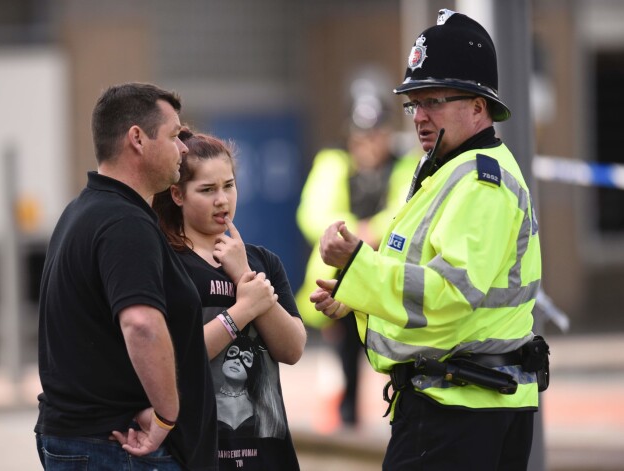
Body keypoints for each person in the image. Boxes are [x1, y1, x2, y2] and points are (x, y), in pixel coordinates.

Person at [310, 9, 548, 471]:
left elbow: (451, 292)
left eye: (433, 101)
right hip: (461, 402)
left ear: (478, 106)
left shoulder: (480, 182)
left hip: (458, 410)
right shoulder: (451, 170)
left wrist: (358, 263)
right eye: (413, 103)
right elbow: (422, 278)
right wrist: (357, 297)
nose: (419, 117)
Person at [34, 83, 217, 470]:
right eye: (174, 135)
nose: (184, 147)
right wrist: (167, 417)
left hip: (90, 441)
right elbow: (141, 324)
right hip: (118, 447)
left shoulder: (83, 210)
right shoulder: (124, 222)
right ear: (137, 138)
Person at [152, 129, 306, 470]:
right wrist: (243, 310)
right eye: (207, 190)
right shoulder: (167, 263)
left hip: (267, 453)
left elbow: (292, 349)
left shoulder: (262, 261)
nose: (222, 200)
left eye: (229, 185)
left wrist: (242, 274)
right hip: (198, 452)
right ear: (177, 194)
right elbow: (174, 359)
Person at [295, 88, 420, 429]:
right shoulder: (332, 162)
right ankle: (346, 425)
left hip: (386, 279)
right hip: (340, 278)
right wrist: (356, 233)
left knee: (397, 355)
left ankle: (402, 422)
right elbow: (313, 212)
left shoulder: (405, 164)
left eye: (376, 135)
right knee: (344, 357)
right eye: (361, 136)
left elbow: (407, 210)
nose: (368, 144)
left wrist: (370, 233)